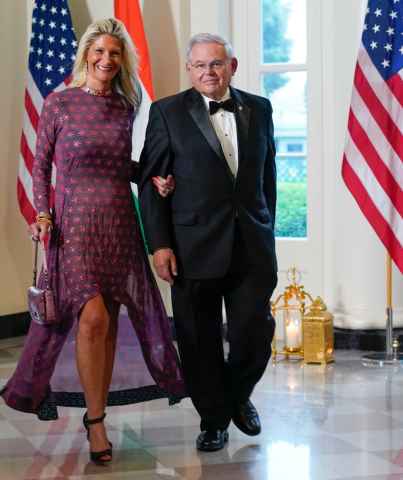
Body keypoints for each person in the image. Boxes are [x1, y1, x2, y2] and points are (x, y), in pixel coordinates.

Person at [2, 18, 187, 466]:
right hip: (73, 228)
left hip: (119, 224)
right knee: (93, 320)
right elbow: (41, 165)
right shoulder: (60, 103)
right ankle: (97, 423)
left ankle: (95, 412)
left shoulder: (126, 106)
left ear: (123, 61)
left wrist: (155, 179)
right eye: (99, 51)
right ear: (86, 54)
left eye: (115, 53)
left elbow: (124, 167)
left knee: (107, 324)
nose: (106, 60)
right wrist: (42, 214)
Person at [138, 33, 278, 452]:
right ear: (188, 69)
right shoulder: (166, 112)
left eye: (216, 64)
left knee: (255, 332)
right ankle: (214, 419)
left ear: (232, 67)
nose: (208, 72)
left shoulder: (260, 107)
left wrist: (266, 226)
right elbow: (151, 182)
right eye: (199, 65)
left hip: (252, 242)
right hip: (190, 245)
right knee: (198, 341)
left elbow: (267, 176)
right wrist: (158, 244)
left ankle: (237, 395)